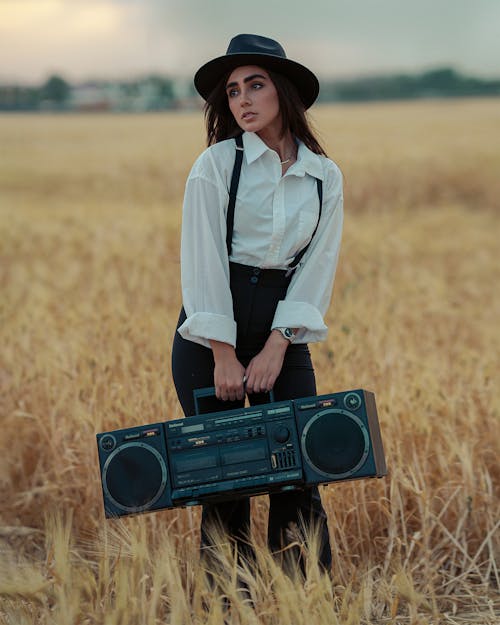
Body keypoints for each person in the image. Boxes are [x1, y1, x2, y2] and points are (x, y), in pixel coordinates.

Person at [171, 33, 343, 574]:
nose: (242, 99)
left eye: (255, 85)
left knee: (297, 471)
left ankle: (305, 601)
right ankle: (228, 606)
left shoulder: (324, 176)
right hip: (209, 329)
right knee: (227, 482)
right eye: (232, 90)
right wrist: (223, 354)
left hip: (281, 325)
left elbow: (316, 270)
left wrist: (276, 346)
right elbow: (202, 266)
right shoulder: (216, 166)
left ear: (283, 91)